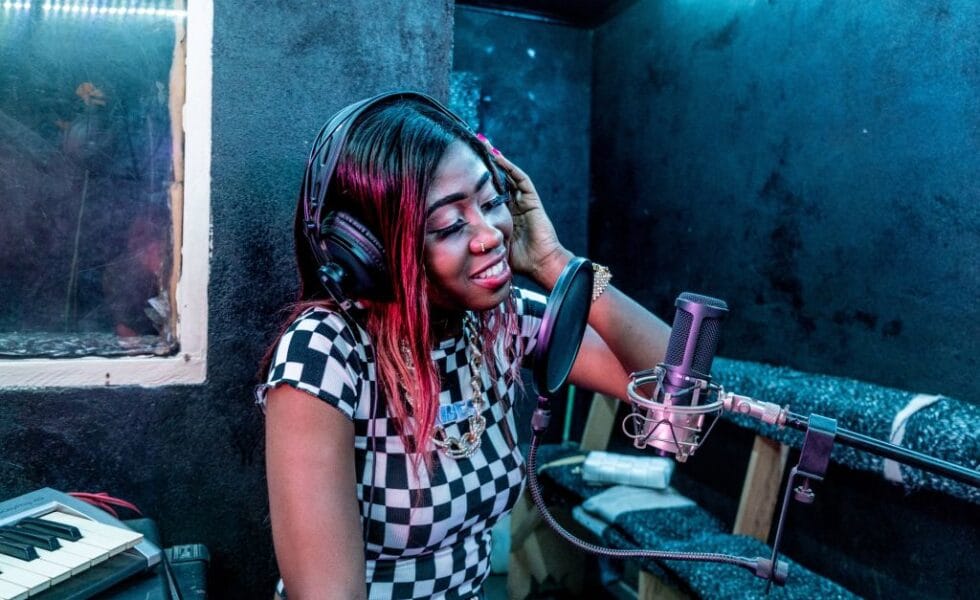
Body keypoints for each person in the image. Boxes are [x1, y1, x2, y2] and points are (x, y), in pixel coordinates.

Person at [256, 91, 671, 600]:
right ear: (373, 253)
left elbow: (678, 386)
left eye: (492, 202)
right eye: (450, 225)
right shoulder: (325, 352)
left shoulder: (500, 318)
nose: (489, 234)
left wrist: (558, 264)